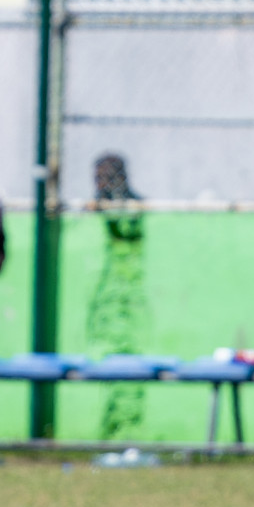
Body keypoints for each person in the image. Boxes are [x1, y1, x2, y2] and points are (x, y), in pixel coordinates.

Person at [87, 154, 147, 440]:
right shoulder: (95, 209)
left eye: (106, 176)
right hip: (106, 310)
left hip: (128, 313)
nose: (100, 183)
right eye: (98, 176)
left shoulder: (133, 208)